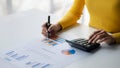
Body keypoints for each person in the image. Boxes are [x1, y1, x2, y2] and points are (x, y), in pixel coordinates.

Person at [42, 0, 120, 45]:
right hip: (92, 39)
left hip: (115, 44)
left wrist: (114, 37)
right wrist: (57, 26)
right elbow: (74, 12)